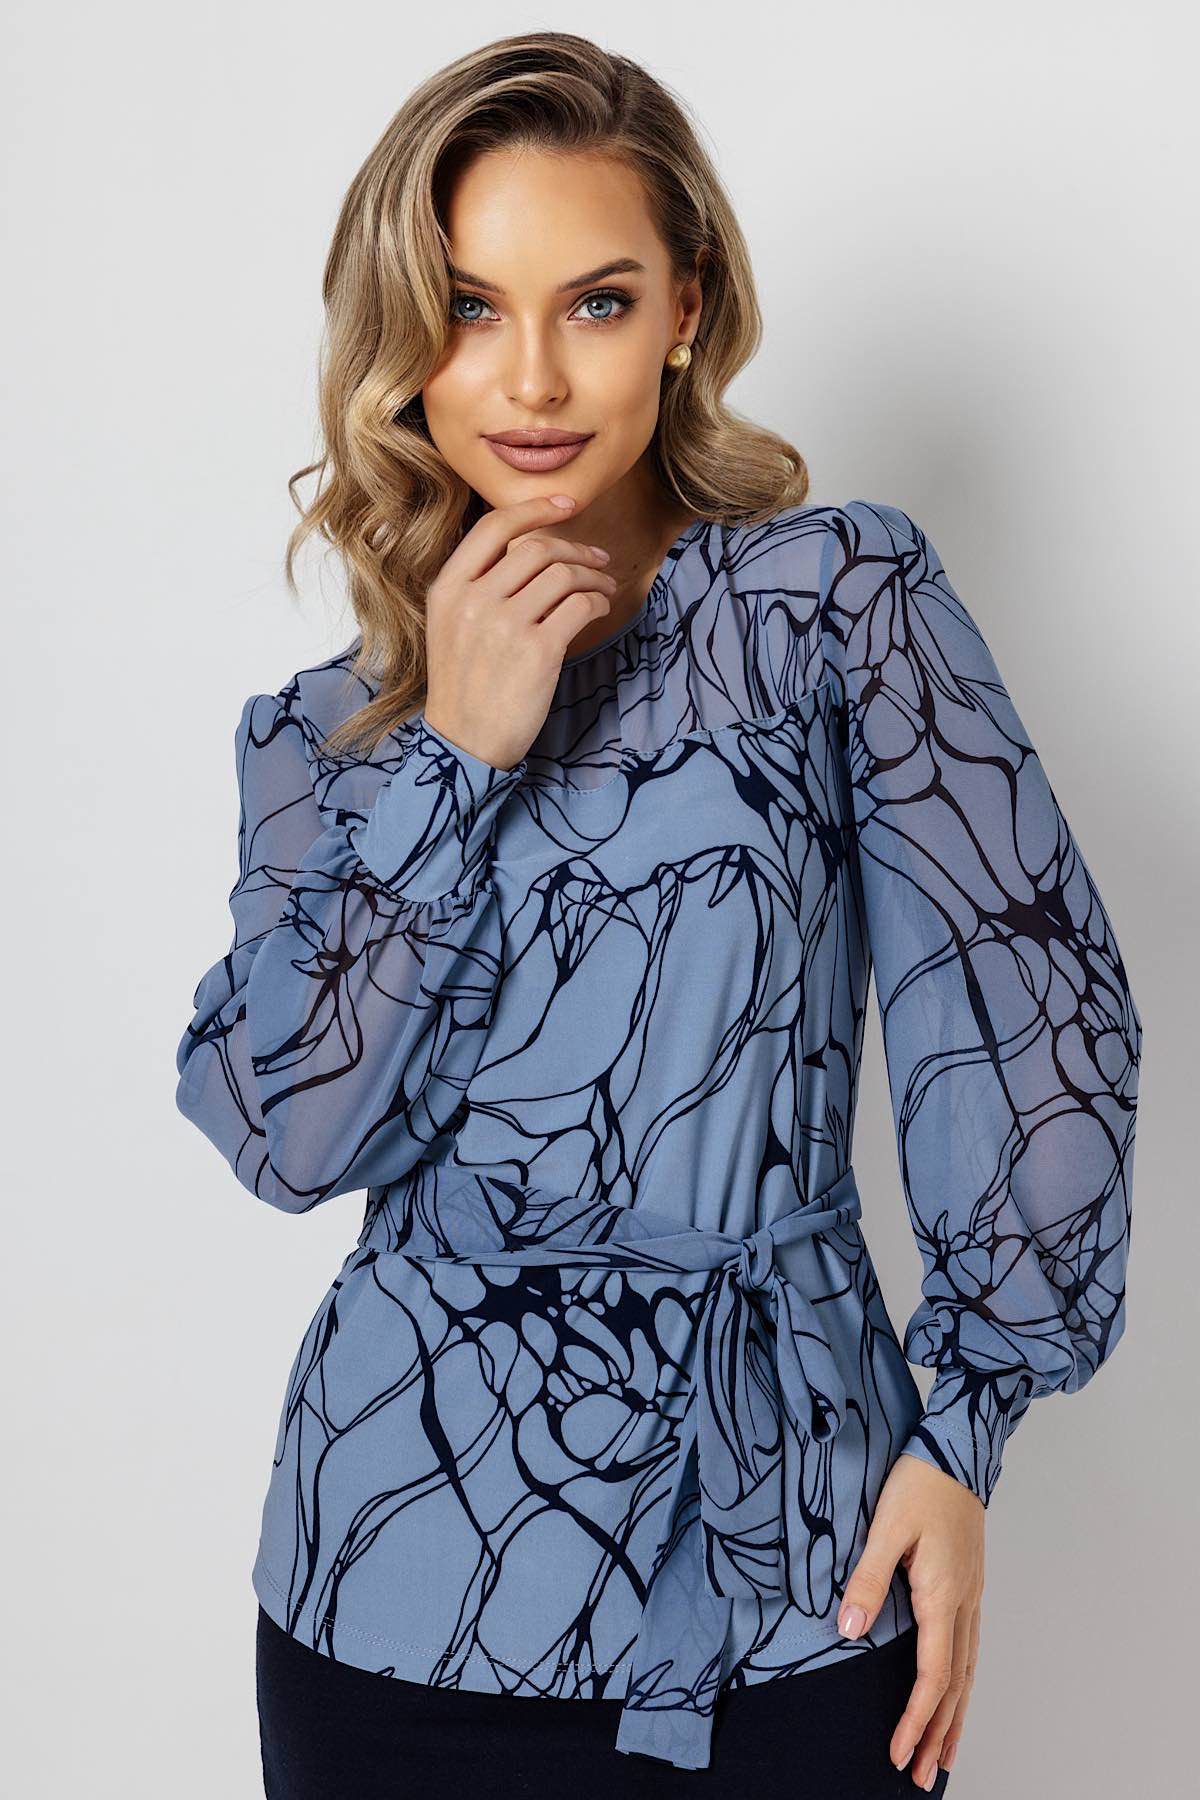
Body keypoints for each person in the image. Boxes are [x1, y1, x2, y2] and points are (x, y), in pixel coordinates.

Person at [174, 29, 1143, 1800]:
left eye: (598, 303)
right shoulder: (330, 736)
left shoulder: (829, 607)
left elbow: (1035, 1017)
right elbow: (290, 1134)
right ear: (401, 343)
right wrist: (459, 749)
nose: (532, 377)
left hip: (793, 1570)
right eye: (469, 310)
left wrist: (965, 1435)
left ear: (688, 309)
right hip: (389, 1594)